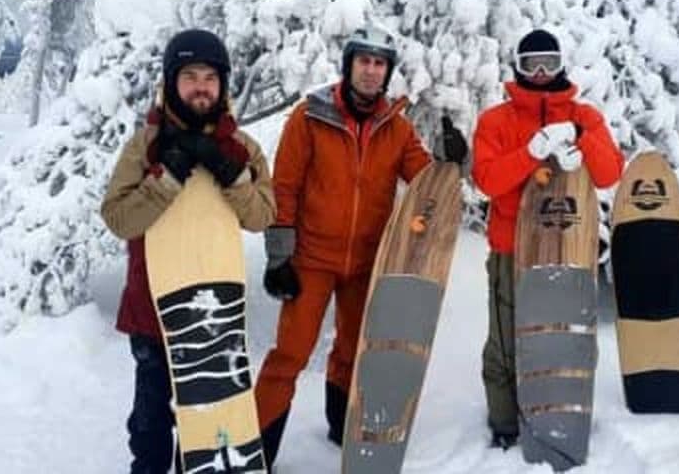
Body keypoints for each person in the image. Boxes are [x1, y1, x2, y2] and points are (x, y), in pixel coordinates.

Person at [254, 24, 469, 469]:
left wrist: (451, 163)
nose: (371, 71)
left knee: (354, 351)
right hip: (311, 257)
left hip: (367, 260)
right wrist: (279, 255)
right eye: (363, 61)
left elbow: (425, 184)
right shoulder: (310, 117)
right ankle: (255, 449)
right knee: (289, 355)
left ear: (387, 72)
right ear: (348, 65)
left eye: (379, 64)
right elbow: (286, 186)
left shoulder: (396, 128)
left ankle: (341, 426)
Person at [100, 28, 276, 473]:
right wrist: (168, 177)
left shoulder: (243, 148)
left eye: (211, 77)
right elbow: (119, 219)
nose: (201, 86)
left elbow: (261, 217)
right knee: (152, 429)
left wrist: (230, 171)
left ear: (223, 85)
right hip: (153, 311)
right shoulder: (145, 146)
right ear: (170, 82)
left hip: (213, 315)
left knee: (210, 429)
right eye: (190, 75)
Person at [471, 28, 624, 449]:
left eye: (549, 63)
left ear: (561, 64)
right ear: (517, 67)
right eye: (531, 63)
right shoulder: (496, 121)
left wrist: (582, 138)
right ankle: (505, 422)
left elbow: (611, 173)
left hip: (568, 247)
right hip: (511, 249)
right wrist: (531, 152)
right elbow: (487, 180)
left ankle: (562, 414)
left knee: (565, 336)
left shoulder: (584, 115)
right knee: (505, 340)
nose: (540, 73)